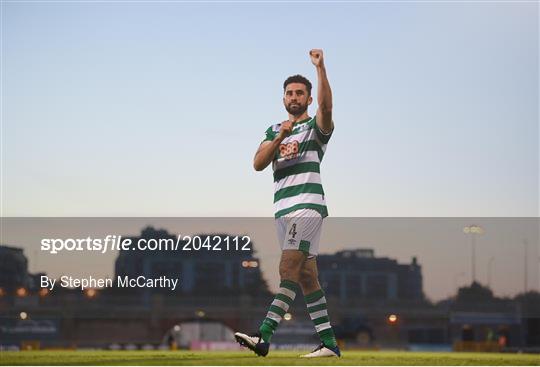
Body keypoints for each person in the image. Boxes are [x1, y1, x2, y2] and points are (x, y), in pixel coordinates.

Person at [235, 49, 340, 358]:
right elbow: (257, 163)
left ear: (308, 99)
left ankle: (263, 335)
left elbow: (327, 106)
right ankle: (330, 344)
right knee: (307, 276)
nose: (294, 97)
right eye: (289, 93)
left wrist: (321, 69)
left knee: (287, 267)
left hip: (308, 207)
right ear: (283, 99)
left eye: (300, 93)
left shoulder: (316, 128)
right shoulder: (273, 130)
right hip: (282, 211)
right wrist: (280, 137)